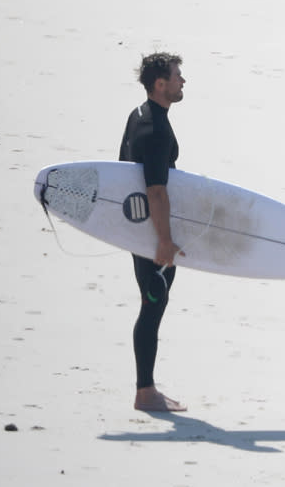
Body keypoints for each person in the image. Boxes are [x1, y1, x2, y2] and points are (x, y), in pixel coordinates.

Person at [119, 52, 188, 412]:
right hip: (151, 232)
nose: (182, 82)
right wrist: (163, 239)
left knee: (150, 304)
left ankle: (146, 388)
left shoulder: (140, 115)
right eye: (177, 76)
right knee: (152, 306)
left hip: (136, 227)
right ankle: (145, 392)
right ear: (160, 84)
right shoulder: (157, 129)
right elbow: (156, 189)